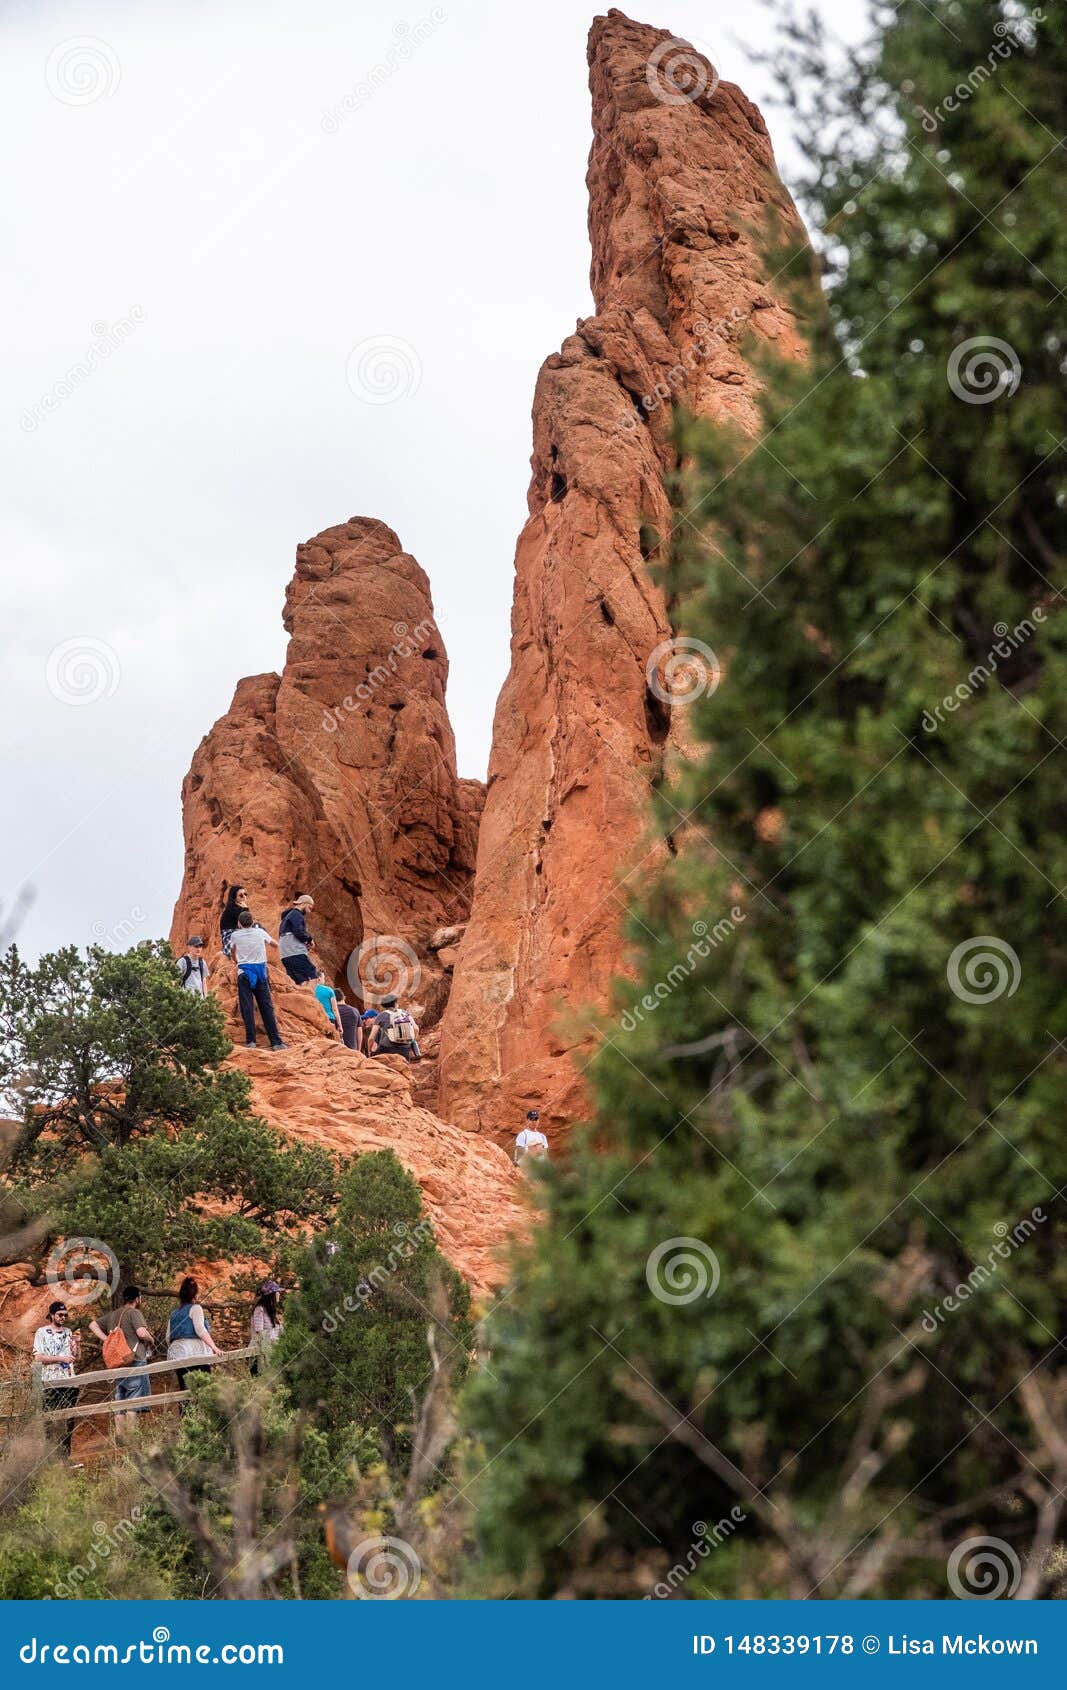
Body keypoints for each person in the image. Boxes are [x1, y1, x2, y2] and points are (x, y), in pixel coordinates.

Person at [90, 1285, 155, 1434]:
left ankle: (120, 1436)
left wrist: (106, 1340)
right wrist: (151, 1340)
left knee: (120, 1396)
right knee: (134, 1398)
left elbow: (92, 1325)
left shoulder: (113, 1315)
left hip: (117, 1363)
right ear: (138, 1298)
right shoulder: (134, 1313)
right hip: (134, 1360)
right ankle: (131, 1436)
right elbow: (141, 1332)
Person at [230, 910, 287, 1050]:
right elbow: (274, 943)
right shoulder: (259, 932)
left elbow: (232, 950)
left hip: (244, 973)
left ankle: (251, 1042)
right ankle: (276, 1042)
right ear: (252, 922)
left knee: (247, 1007)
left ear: (239, 924)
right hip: (260, 973)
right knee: (266, 1007)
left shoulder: (235, 935)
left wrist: (235, 959)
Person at [32, 1300, 81, 1461]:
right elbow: (38, 1357)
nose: (63, 1317)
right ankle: (49, 1459)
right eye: (60, 1315)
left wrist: (77, 1346)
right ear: (51, 1315)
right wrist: (60, 1358)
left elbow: (77, 1358)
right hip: (50, 1381)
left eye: (65, 1315)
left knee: (68, 1420)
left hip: (69, 1380)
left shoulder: (68, 1332)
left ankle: (64, 1458)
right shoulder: (42, 1332)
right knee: (50, 1420)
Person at [167, 1277, 222, 1408]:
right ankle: (204, 1420)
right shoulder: (196, 1308)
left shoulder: (174, 1313)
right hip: (194, 1352)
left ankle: (187, 1422)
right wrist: (214, 1347)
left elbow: (168, 1338)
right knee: (204, 1386)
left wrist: (175, 1350)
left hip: (178, 1353)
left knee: (185, 1390)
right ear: (195, 1295)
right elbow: (200, 1330)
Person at [368, 993, 420, 1062]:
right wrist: (411, 1041)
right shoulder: (405, 1013)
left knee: (377, 1061)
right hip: (404, 1048)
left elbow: (371, 1038)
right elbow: (416, 1028)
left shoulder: (381, 1015)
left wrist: (369, 1050)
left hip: (387, 1047)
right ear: (395, 1003)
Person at [278, 894, 317, 985]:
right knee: (311, 973)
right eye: (310, 908)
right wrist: (309, 940)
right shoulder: (296, 914)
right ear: (303, 904)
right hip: (295, 952)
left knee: (298, 980)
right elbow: (298, 931)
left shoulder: (287, 917)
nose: (309, 912)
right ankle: (314, 998)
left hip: (285, 955)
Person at [249, 1280, 284, 1375]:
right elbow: (260, 1333)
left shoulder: (272, 1311)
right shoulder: (259, 1309)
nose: (279, 1294)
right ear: (271, 1294)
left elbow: (280, 1333)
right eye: (277, 1292)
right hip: (260, 1353)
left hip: (271, 1353)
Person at [220, 885, 250, 956]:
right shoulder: (230, 909)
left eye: (245, 894)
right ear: (234, 898)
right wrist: (246, 908)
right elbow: (245, 922)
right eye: (241, 895)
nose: (244, 897)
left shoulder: (239, 908)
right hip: (230, 936)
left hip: (238, 934)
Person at [313, 971, 343, 1039]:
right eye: (324, 978)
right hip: (329, 1019)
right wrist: (340, 1025)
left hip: (316, 1019)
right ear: (319, 978)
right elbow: (335, 1009)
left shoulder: (310, 990)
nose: (324, 980)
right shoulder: (329, 990)